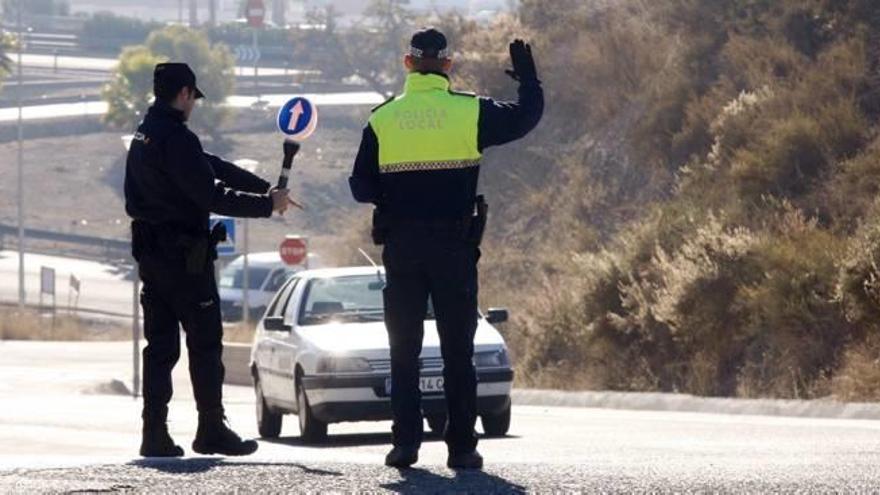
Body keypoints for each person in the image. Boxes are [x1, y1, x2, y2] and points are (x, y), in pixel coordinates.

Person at [349, 28, 543, 469]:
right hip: (454, 249)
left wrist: (394, 191)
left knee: (404, 349)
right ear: (449, 65)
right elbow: (524, 118)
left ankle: (405, 445)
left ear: (408, 64)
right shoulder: (470, 111)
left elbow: (360, 187)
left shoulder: (382, 119)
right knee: (458, 349)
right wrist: (529, 79)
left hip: (402, 248)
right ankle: (462, 447)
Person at [124, 62, 299, 457]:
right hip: (186, 258)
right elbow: (211, 194)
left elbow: (210, 165)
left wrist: (262, 189)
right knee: (205, 344)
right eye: (193, 98)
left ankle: (154, 433)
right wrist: (266, 207)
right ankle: (211, 429)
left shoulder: (145, 133)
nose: (193, 105)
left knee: (160, 347)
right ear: (185, 93)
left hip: (152, 256)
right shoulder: (176, 138)